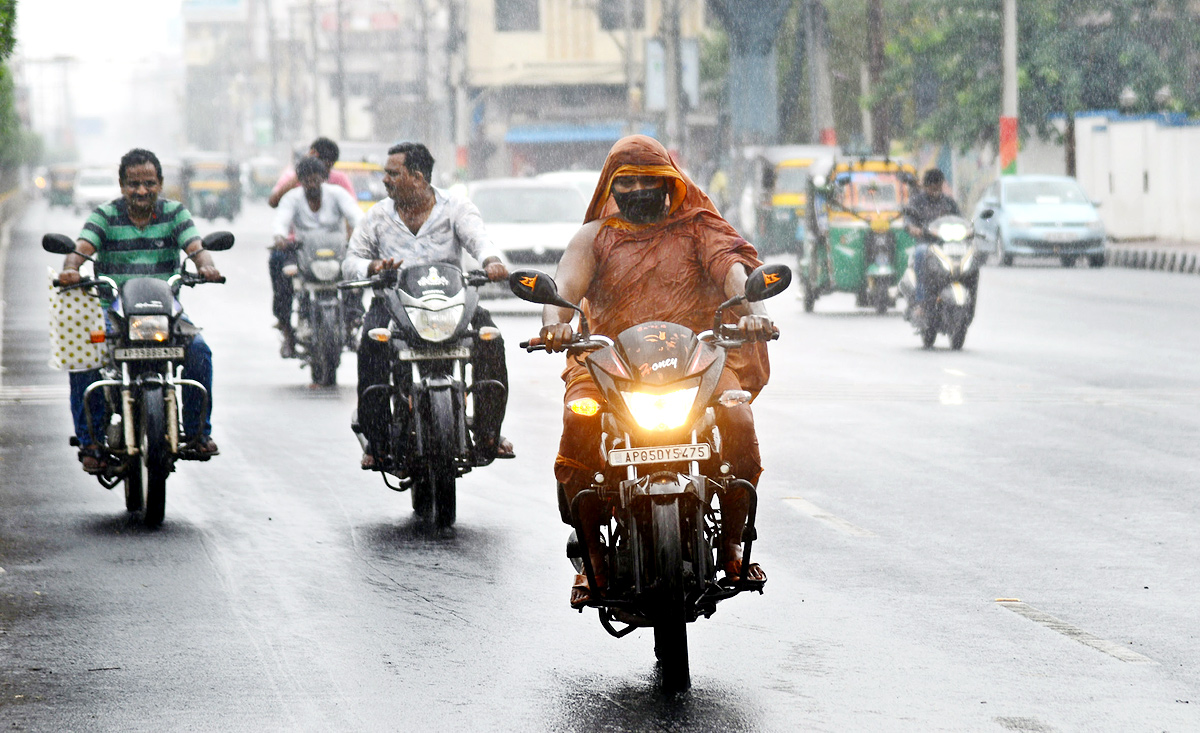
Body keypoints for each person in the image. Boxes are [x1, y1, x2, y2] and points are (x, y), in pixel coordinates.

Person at [539, 134, 775, 608]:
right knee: (578, 419)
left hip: (696, 362)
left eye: (652, 178)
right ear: (612, 186)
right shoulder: (594, 238)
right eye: (629, 181)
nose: (641, 189)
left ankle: (731, 546)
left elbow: (732, 270)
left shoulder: (698, 228)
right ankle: (593, 562)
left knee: (738, 415)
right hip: (606, 363)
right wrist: (555, 327)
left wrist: (751, 310)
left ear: (671, 181)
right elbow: (563, 289)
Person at [343, 142, 514, 470]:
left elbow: (481, 240)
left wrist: (492, 262)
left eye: (393, 174)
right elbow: (351, 261)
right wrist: (373, 267)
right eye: (386, 174)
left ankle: (490, 433)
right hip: (392, 305)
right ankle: (376, 441)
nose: (385, 180)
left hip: (451, 302)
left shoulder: (456, 207)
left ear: (418, 178)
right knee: (370, 344)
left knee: (491, 338)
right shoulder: (377, 216)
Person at [58, 148, 223, 472]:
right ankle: (90, 442)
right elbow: (80, 250)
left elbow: (197, 249)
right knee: (84, 356)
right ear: (122, 186)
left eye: (149, 183)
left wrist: (207, 266)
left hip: (167, 311)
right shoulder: (105, 215)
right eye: (134, 184)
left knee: (200, 352)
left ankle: (198, 432)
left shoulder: (175, 213)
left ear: (160, 183)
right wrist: (71, 269)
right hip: (114, 312)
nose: (142, 190)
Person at [267, 138, 357, 346]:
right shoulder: (293, 194)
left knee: (356, 273)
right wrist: (279, 238)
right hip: (298, 249)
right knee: (280, 267)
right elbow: (279, 216)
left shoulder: (338, 190)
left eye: (317, 178)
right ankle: (286, 324)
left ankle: (353, 318)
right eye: (307, 180)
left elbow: (356, 217)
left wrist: (358, 239)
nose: (312, 184)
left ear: (326, 177)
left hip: (336, 249)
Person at [904, 168, 961, 318]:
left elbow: (960, 220)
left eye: (938, 186)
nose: (936, 190)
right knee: (920, 252)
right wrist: (914, 229)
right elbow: (909, 220)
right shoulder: (917, 202)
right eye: (932, 187)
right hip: (927, 244)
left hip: (947, 245)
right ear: (926, 186)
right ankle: (922, 303)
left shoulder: (949, 203)